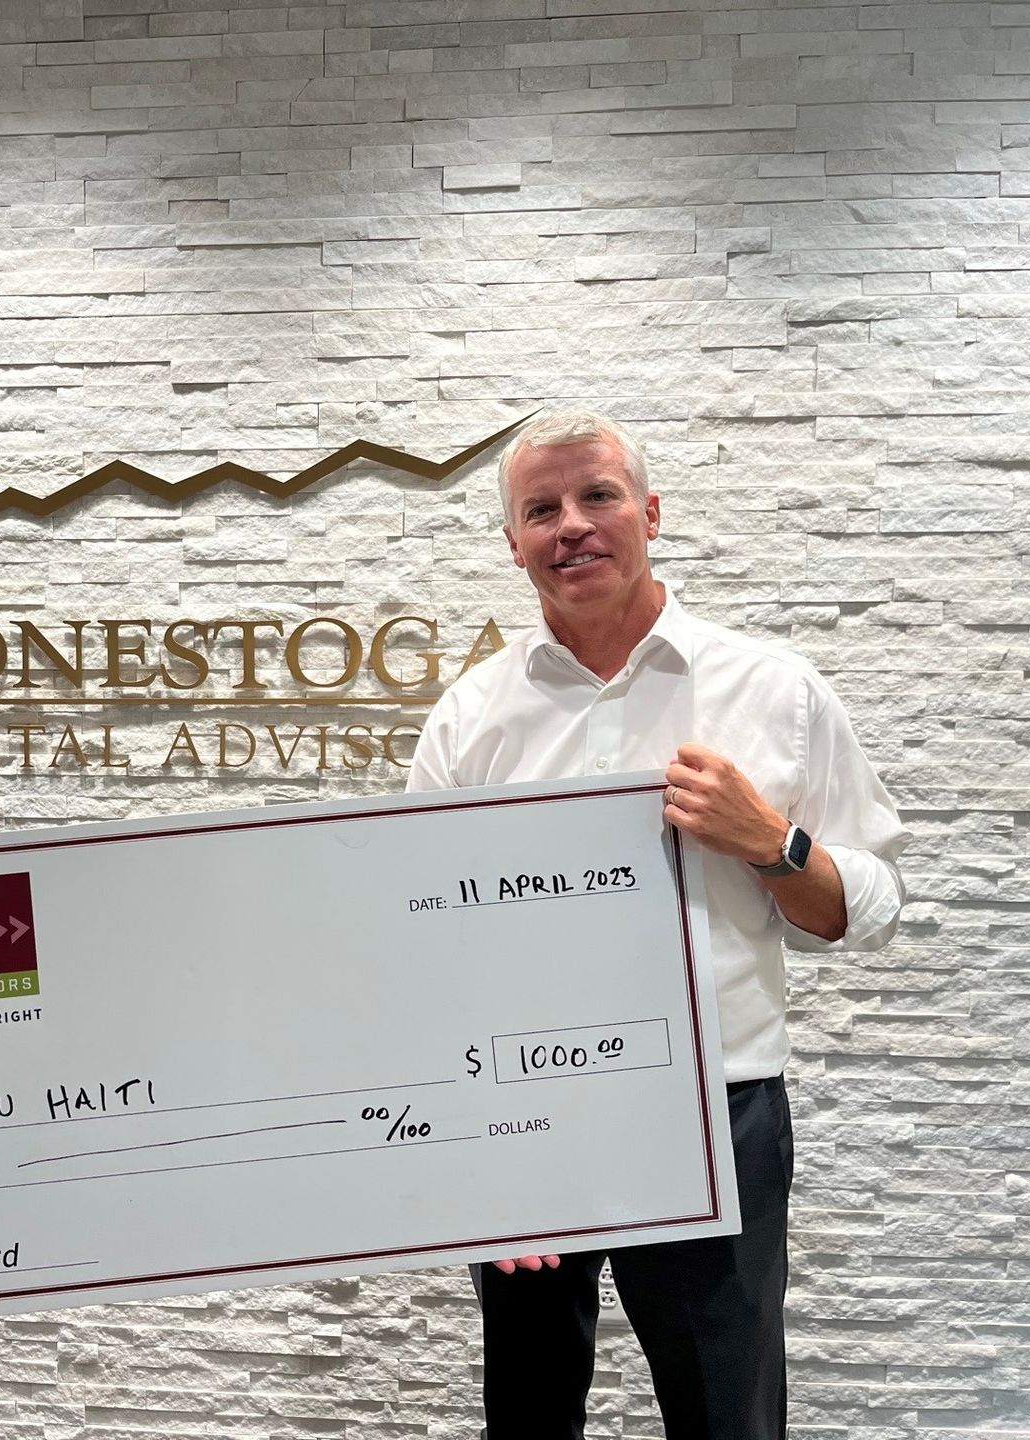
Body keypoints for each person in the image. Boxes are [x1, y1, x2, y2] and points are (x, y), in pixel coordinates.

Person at [407, 412, 907, 1440]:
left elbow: (871, 907)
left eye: (598, 495)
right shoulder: (469, 717)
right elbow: (422, 945)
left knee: (728, 1415)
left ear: (651, 512)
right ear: (513, 543)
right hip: (525, 1112)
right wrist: (475, 1153)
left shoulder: (772, 690)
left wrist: (771, 843)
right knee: (528, 1415)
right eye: (540, 509)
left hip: (715, 1113)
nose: (572, 525)